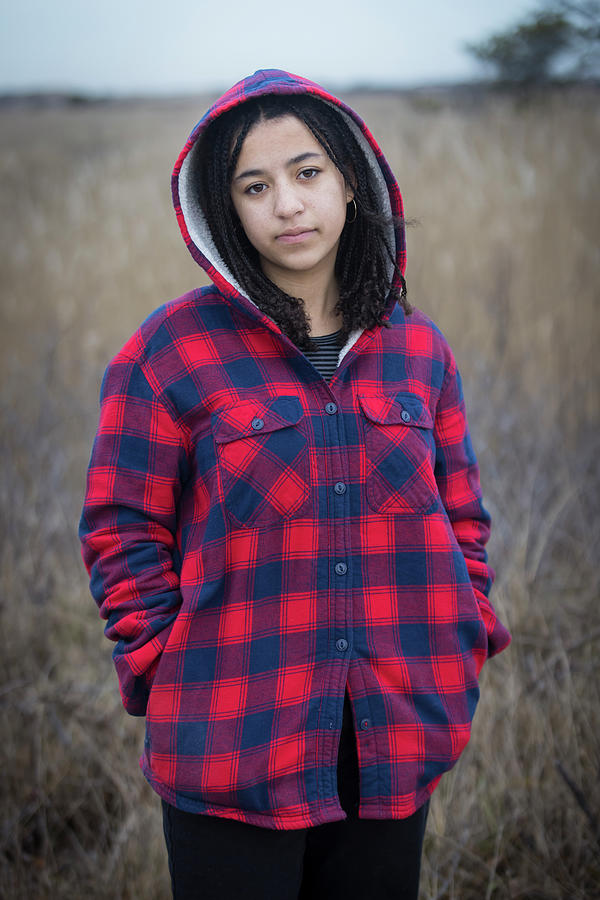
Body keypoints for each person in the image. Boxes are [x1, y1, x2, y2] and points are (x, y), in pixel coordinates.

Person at [79, 69, 511, 899]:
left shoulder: (419, 351)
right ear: (224, 209)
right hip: (232, 739)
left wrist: (467, 630)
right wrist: (164, 663)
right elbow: (119, 526)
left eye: (307, 173)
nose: (288, 204)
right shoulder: (169, 352)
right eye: (255, 185)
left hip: (394, 738)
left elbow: (463, 516)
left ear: (351, 180)